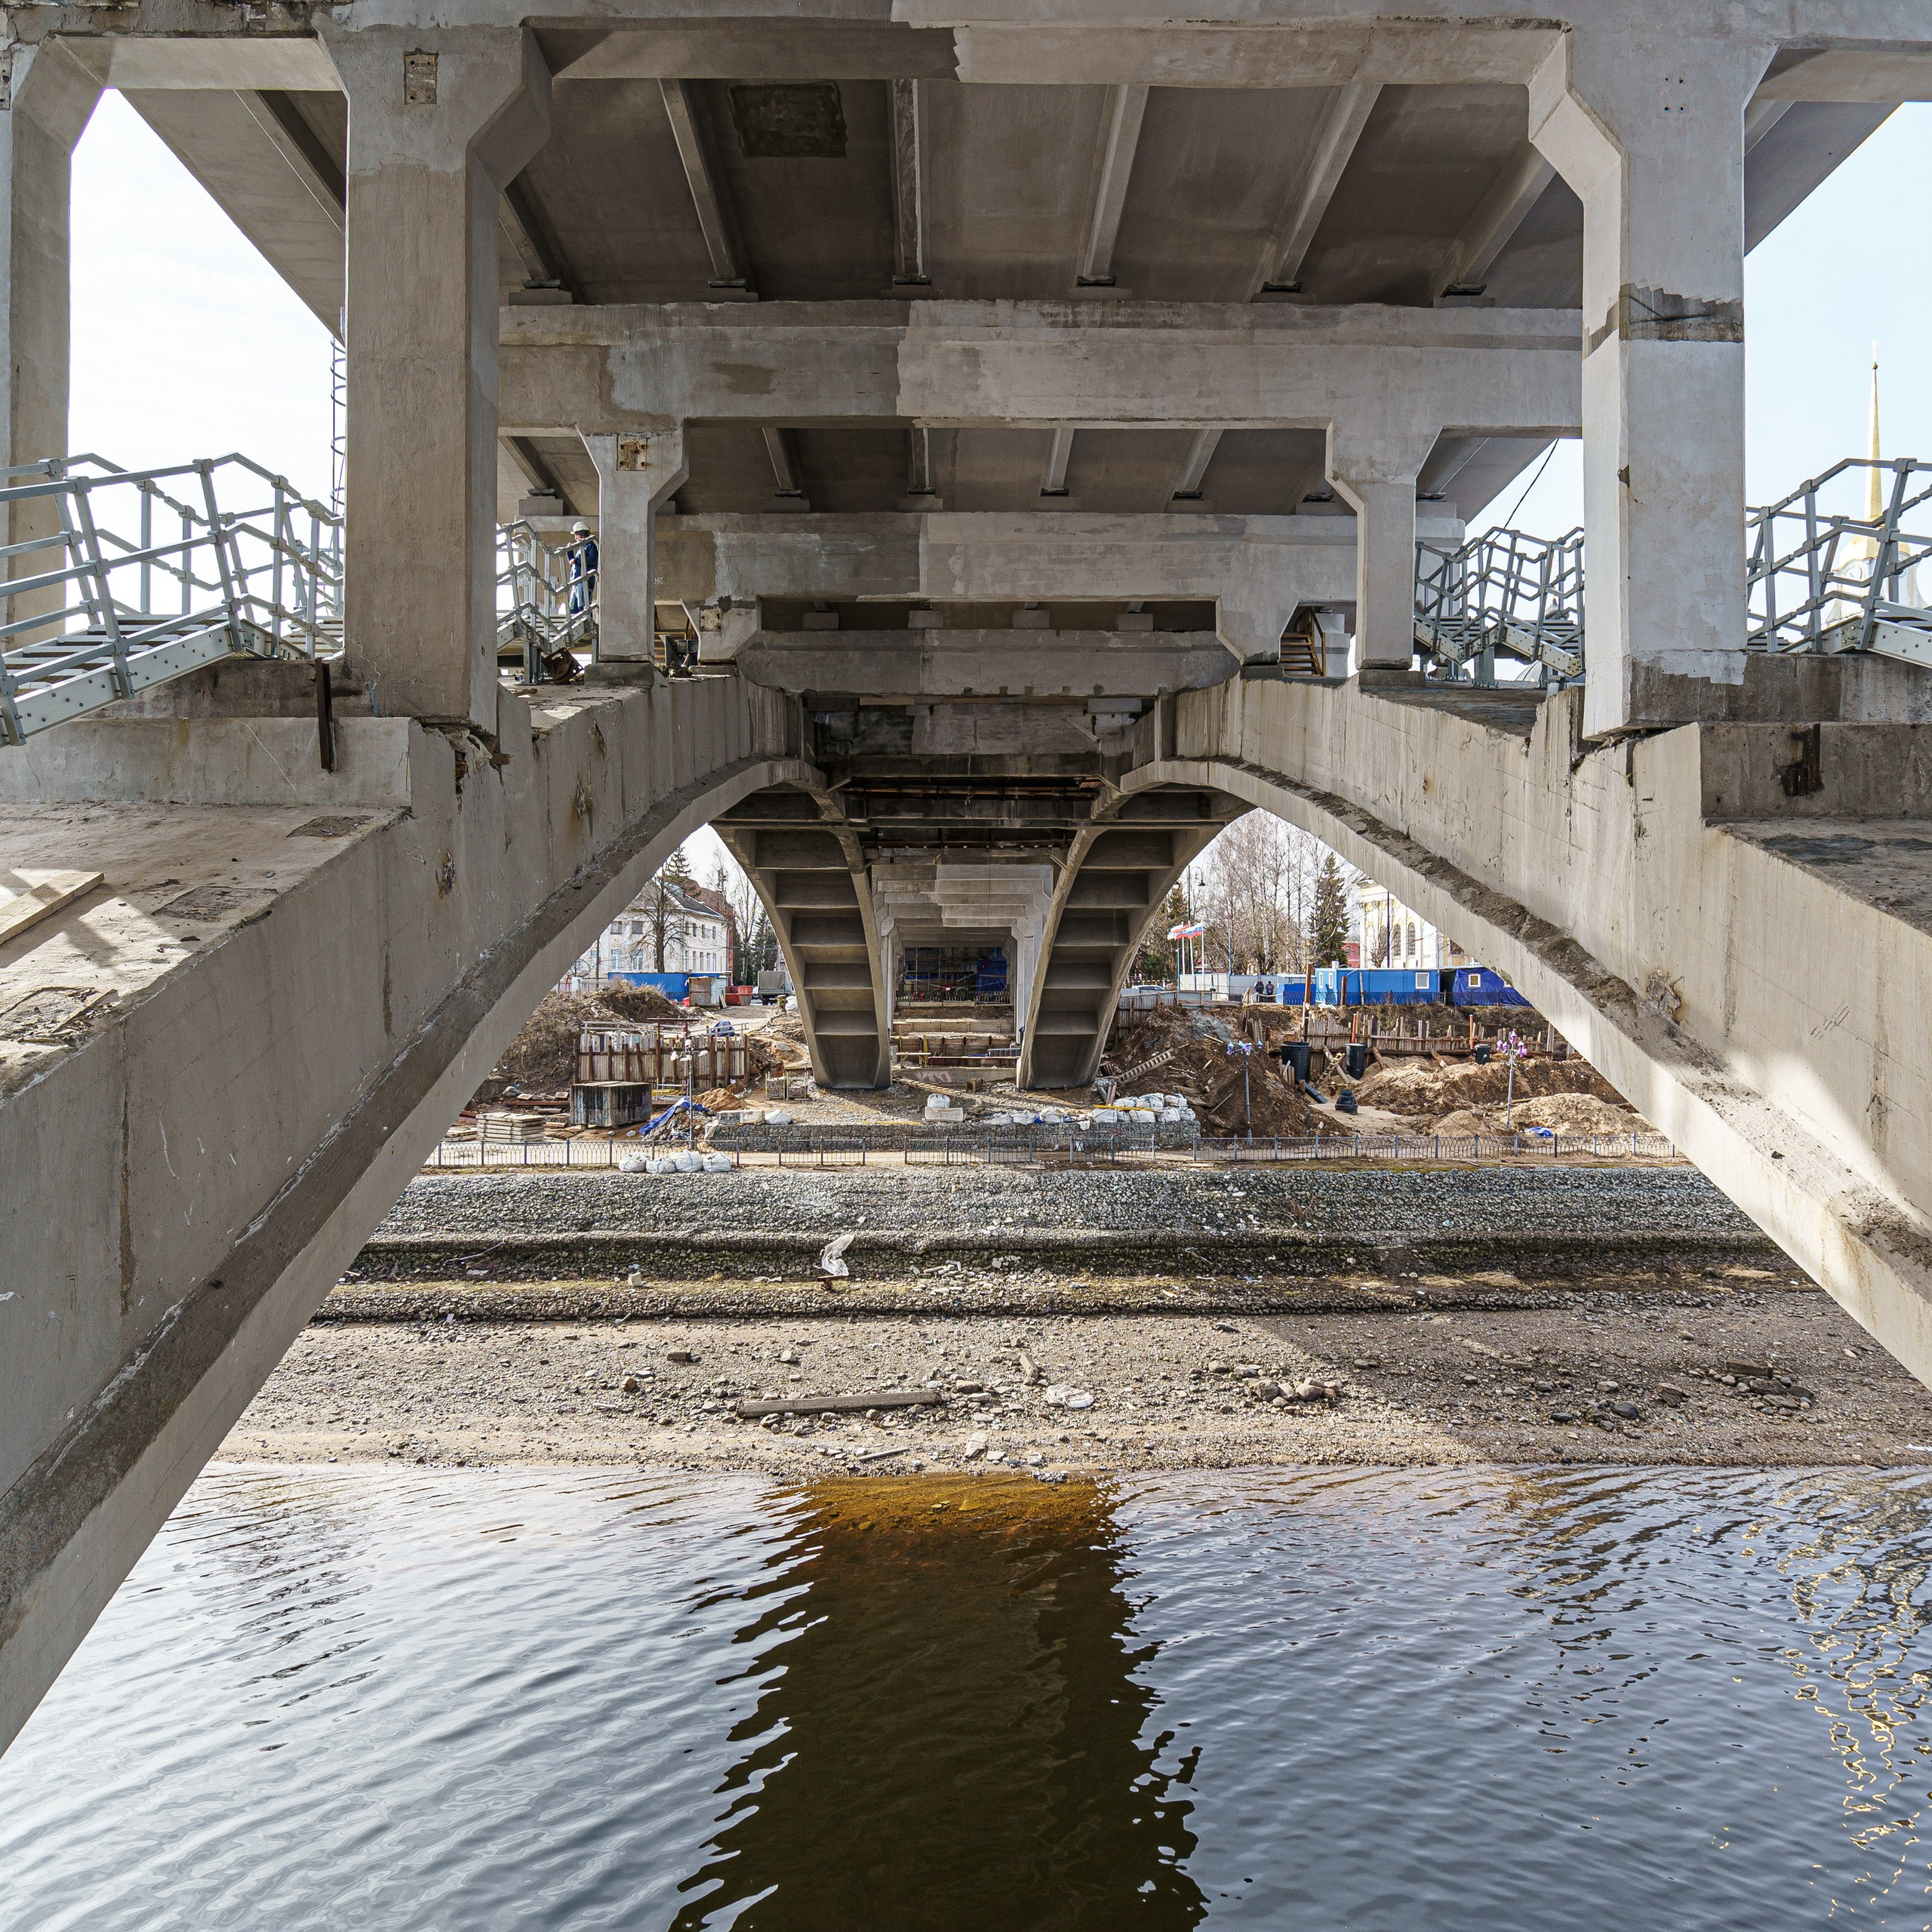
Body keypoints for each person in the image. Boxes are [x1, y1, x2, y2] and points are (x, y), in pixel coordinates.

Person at [566, 520, 598, 615]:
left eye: (576, 535)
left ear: (580, 534)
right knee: (573, 606)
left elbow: (592, 560)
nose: (575, 538)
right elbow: (574, 562)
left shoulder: (591, 545)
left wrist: (577, 561)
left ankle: (587, 622)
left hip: (584, 580)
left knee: (583, 605)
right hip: (577, 580)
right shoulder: (582, 547)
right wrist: (570, 552)